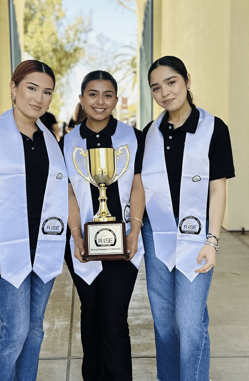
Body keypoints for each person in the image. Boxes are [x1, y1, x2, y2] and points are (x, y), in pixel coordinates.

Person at [0, 60, 68, 381]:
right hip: (6, 250)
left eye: (46, 92)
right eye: (31, 88)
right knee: (15, 331)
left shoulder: (49, 139)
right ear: (14, 88)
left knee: (35, 330)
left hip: (44, 248)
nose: (38, 98)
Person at [141, 56, 235, 381]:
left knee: (190, 322)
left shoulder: (213, 128)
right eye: (156, 87)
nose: (165, 92)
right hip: (157, 236)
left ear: (187, 81)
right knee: (165, 323)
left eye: (171, 82)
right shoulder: (149, 133)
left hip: (197, 238)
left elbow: (218, 190)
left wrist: (214, 240)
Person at [61, 70, 145, 381]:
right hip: (82, 244)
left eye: (107, 94)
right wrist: (76, 235)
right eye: (92, 94)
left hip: (124, 242)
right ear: (81, 99)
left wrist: (134, 229)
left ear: (116, 99)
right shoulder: (67, 141)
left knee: (114, 319)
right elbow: (68, 190)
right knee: (90, 315)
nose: (100, 101)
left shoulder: (132, 137)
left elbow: (138, 185)